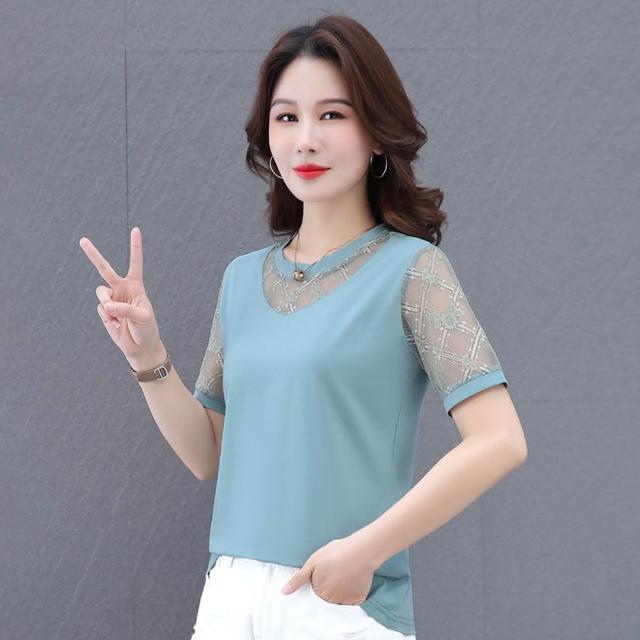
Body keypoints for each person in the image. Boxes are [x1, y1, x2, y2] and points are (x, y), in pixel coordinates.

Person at [79, 13, 527, 640]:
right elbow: (208, 455)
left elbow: (500, 440)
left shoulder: (415, 272)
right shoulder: (241, 279)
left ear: (376, 134)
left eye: (332, 115)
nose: (306, 140)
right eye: (286, 117)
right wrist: (146, 354)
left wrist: (366, 551)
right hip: (229, 598)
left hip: (338, 603)